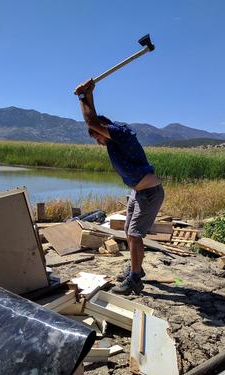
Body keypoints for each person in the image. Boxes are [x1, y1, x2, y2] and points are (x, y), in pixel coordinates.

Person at [74, 79, 164, 295]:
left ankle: (134, 280)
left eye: (96, 137)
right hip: (137, 191)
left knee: (134, 234)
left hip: (149, 193)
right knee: (128, 230)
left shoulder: (120, 134)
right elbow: (93, 121)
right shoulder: (113, 139)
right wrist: (88, 94)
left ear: (103, 130)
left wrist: (82, 98)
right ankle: (137, 269)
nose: (97, 141)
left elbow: (92, 122)